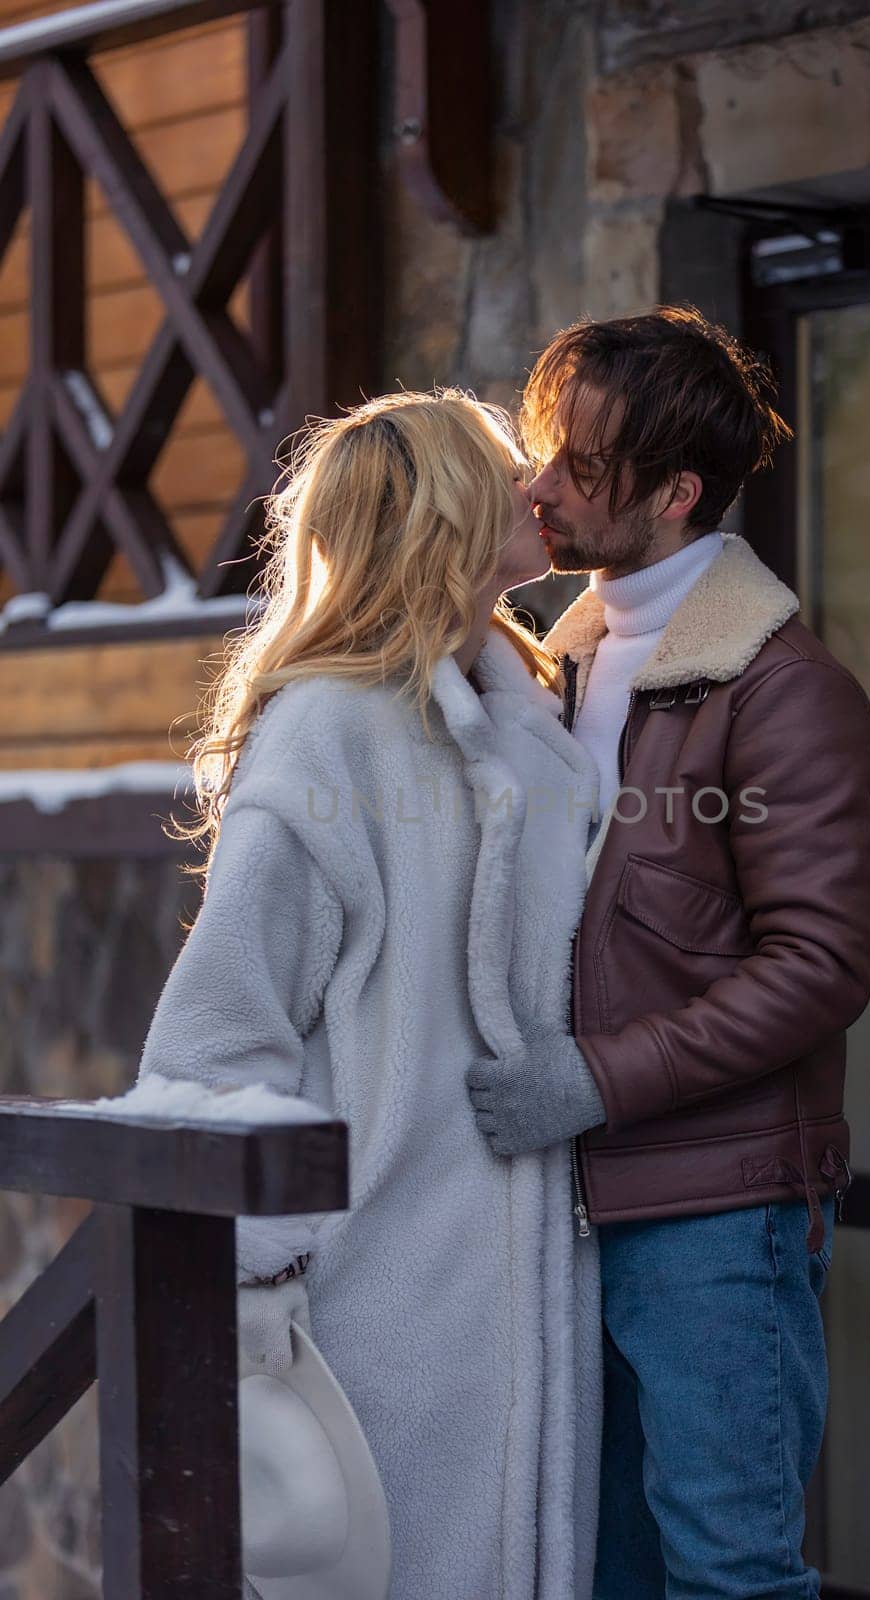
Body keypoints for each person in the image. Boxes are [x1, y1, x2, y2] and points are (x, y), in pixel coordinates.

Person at [136, 392, 603, 1600]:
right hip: (379, 1296)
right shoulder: (329, 738)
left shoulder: (529, 726)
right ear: (444, 506)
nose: (536, 487)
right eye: (506, 470)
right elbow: (213, 1036)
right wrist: (265, 1284)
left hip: (526, 1284)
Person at [466, 308, 870, 1599]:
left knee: (728, 1576)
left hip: (718, 1215)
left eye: (576, 468)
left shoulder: (780, 690)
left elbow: (817, 967)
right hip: (573, 1211)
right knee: (598, 1571)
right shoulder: (558, 670)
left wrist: (591, 1078)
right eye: (542, 452)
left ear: (672, 494)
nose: (535, 487)